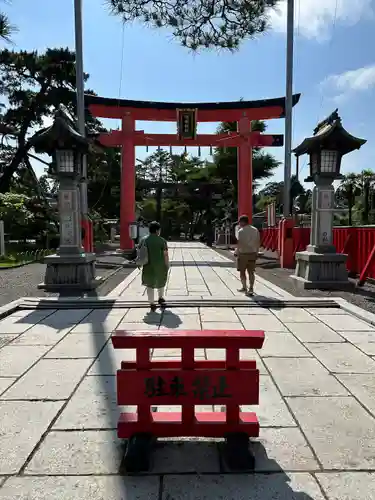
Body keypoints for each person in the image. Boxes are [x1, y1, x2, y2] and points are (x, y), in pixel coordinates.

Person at [141, 221, 169, 311]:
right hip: (160, 265)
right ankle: (160, 298)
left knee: (150, 284)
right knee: (161, 281)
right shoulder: (162, 241)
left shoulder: (144, 240)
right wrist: (167, 265)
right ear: (157, 230)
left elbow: (140, 252)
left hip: (147, 265)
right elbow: (165, 254)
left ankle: (152, 303)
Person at [234, 215, 260, 296]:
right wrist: (257, 252)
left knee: (242, 272)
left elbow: (240, 243)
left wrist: (236, 252)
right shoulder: (255, 230)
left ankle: (244, 287)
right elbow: (258, 242)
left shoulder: (241, 231)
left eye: (240, 222)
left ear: (242, 222)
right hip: (252, 253)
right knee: (251, 272)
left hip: (243, 254)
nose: (239, 224)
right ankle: (251, 288)